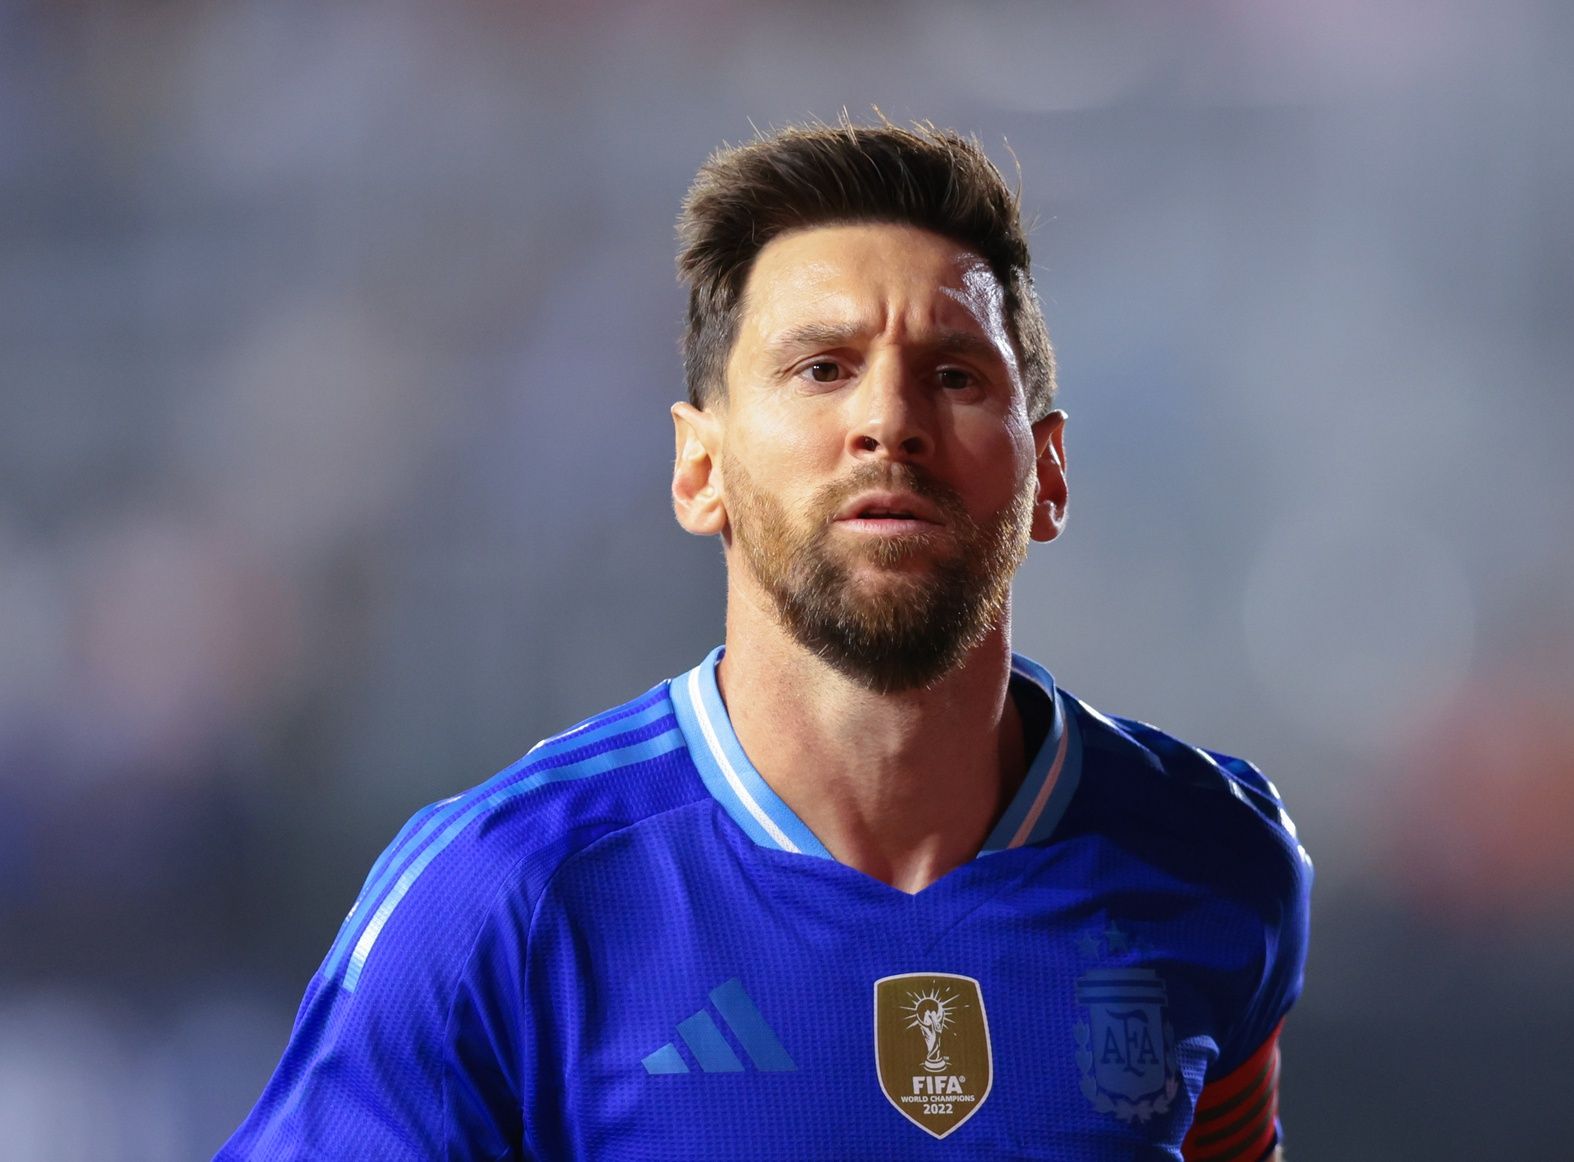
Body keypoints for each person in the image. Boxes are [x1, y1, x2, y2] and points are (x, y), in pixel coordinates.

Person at [219, 118, 1310, 1161]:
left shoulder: (1214, 856)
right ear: (701, 468)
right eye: (822, 368)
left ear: (1049, 473)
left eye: (954, 375)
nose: (889, 421)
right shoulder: (505, 893)